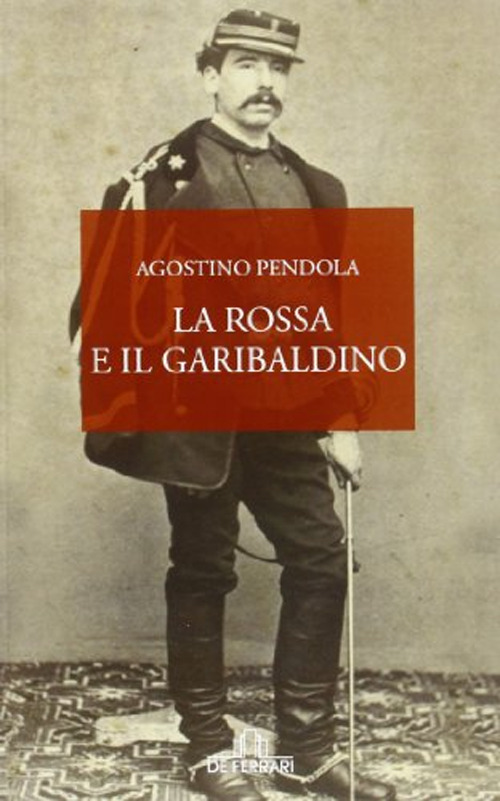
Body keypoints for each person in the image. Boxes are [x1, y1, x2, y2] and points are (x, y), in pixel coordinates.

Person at [71, 9, 396, 801]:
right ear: (209, 74)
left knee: (321, 557)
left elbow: (329, 316)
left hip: (287, 412)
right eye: (246, 65)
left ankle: (307, 750)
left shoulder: (314, 186)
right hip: (197, 421)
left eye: (278, 69)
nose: (265, 83)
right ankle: (210, 750)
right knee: (203, 568)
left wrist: (339, 419)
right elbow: (98, 312)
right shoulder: (162, 181)